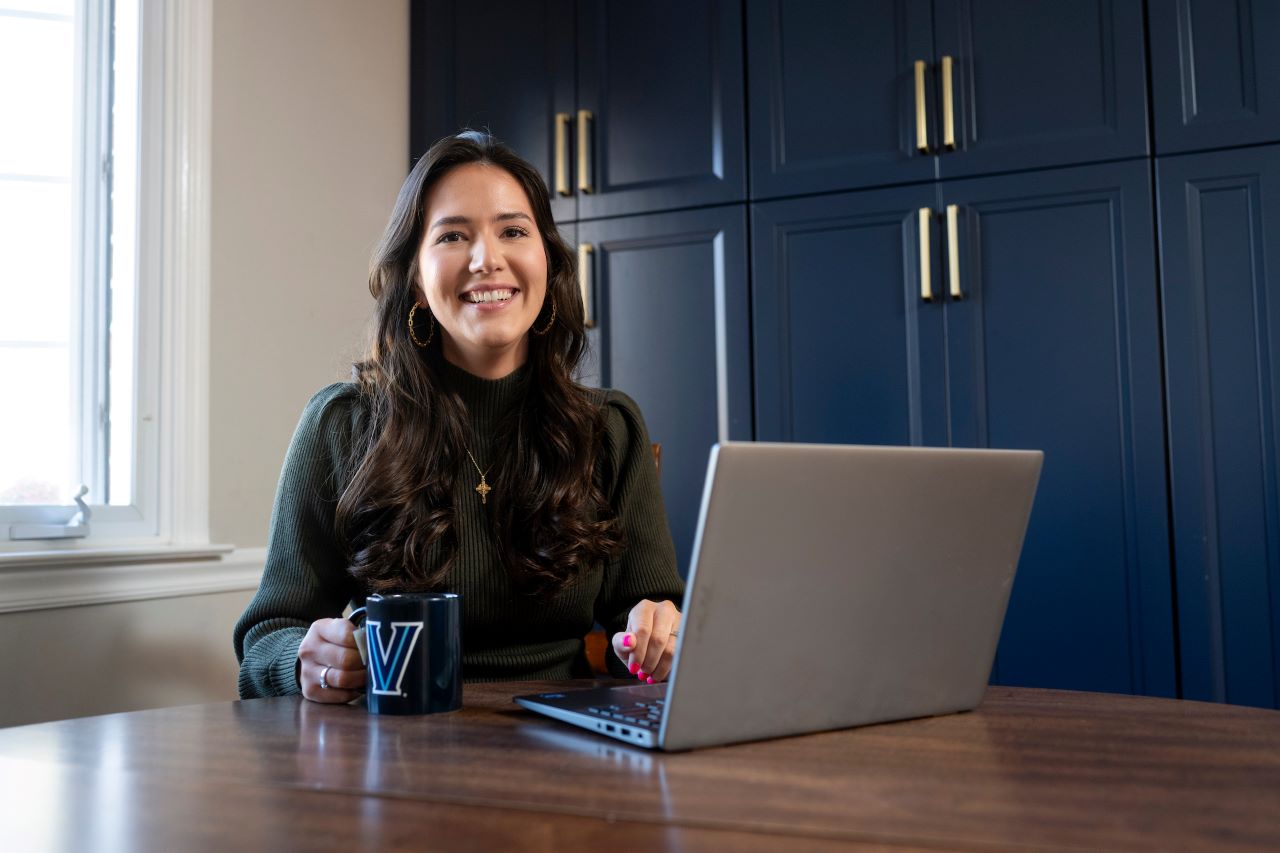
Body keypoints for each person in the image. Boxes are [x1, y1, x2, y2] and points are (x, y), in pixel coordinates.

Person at [233, 131, 684, 703]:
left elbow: (657, 627)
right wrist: (304, 659)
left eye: (513, 231)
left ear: (547, 261)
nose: (486, 260)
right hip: (394, 748)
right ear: (415, 277)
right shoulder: (342, 424)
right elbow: (266, 638)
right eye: (452, 236)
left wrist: (657, 637)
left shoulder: (610, 429)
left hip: (564, 749)